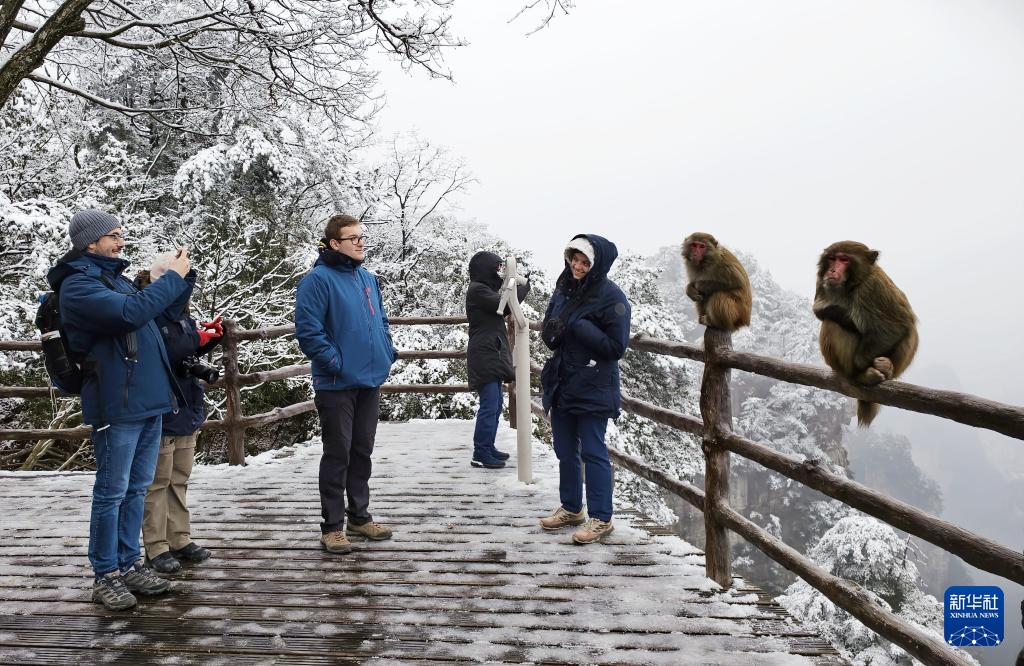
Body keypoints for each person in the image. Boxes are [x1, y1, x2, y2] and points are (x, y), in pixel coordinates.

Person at [45, 209, 191, 610]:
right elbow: (131, 314)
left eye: (121, 232)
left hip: (145, 400)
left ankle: (130, 565)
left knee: (136, 489)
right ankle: (105, 574)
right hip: (116, 402)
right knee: (111, 492)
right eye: (113, 235)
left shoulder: (115, 279)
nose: (121, 240)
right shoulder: (77, 286)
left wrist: (175, 278)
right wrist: (172, 279)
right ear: (90, 243)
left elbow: (158, 315)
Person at [295, 214, 399, 555]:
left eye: (361, 237)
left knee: (361, 451)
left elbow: (380, 320)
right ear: (334, 243)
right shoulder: (317, 280)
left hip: (369, 379)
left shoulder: (367, 278)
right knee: (337, 454)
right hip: (337, 384)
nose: (360, 242)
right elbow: (309, 332)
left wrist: (387, 350)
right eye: (352, 238)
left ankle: (359, 516)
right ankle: (332, 526)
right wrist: (335, 363)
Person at [538, 234, 631, 545]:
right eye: (574, 259)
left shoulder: (611, 296)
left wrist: (581, 328)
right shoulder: (564, 287)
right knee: (565, 450)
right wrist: (550, 330)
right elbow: (550, 326)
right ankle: (571, 508)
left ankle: (602, 518)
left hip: (593, 383)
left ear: (597, 264)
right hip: (563, 379)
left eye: (584, 261)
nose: (577, 266)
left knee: (593, 451)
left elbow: (616, 347)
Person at [134, 265, 222, 574]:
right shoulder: (147, 320)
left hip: (187, 406)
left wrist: (206, 341)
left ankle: (180, 538)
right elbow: (161, 356)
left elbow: (185, 352)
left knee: (179, 478)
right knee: (157, 482)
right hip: (162, 407)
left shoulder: (184, 319)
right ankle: (156, 546)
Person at [465, 251, 530, 469]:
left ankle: (487, 447)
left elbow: (504, 300)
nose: (500, 272)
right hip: (484, 354)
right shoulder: (478, 290)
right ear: (486, 269)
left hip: (490, 352)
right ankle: (480, 452)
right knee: (489, 404)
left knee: (495, 404)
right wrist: (522, 287)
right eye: (497, 267)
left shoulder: (483, 289)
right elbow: (506, 306)